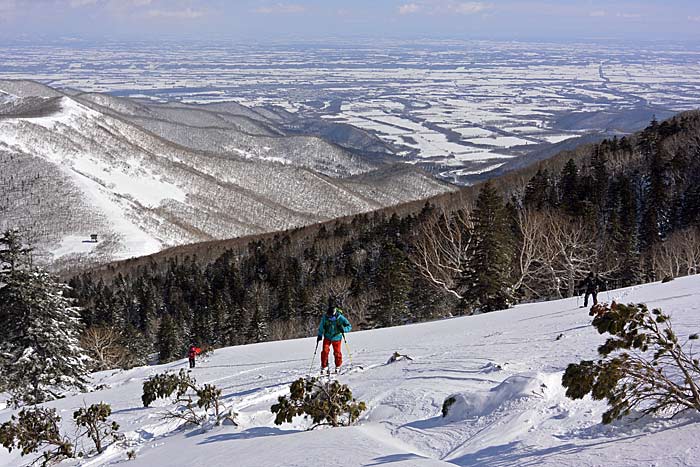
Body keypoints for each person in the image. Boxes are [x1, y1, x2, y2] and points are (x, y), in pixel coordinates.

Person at [317, 298, 352, 372]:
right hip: (327, 337)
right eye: (328, 316)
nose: (329, 317)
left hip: (337, 337)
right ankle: (324, 366)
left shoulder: (340, 318)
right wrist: (320, 335)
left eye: (330, 316)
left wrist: (344, 329)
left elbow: (349, 326)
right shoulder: (325, 318)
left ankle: (338, 366)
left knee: (337, 352)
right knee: (325, 351)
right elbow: (321, 327)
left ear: (334, 314)